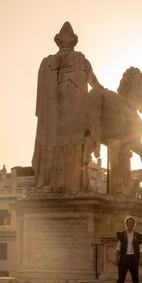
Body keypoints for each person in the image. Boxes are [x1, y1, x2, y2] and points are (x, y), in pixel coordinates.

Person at [32, 21, 102, 191]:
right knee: (84, 140)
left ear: (58, 42)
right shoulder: (81, 59)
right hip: (75, 120)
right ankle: (76, 182)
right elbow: (96, 85)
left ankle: (48, 181)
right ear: (74, 42)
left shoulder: (48, 62)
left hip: (53, 121)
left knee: (54, 148)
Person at [114, 216, 142, 283]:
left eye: (132, 223)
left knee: (135, 279)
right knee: (120, 279)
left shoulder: (138, 236)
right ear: (126, 224)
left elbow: (141, 248)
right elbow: (118, 248)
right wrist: (116, 258)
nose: (130, 224)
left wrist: (141, 258)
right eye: (129, 223)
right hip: (123, 259)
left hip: (133, 259)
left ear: (134, 224)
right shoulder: (122, 235)